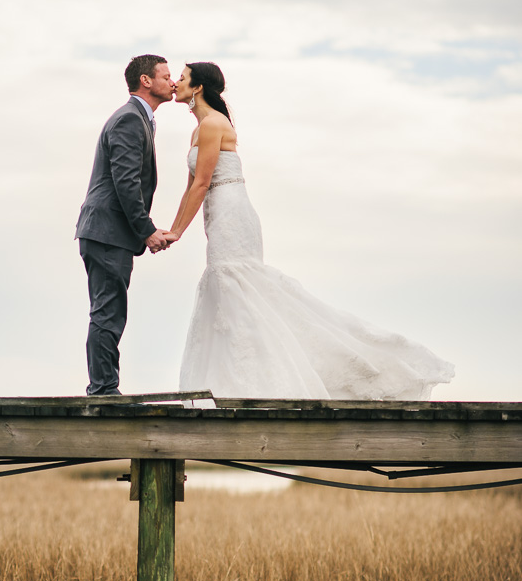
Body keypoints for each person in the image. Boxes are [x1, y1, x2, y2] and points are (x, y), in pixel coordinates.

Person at [164, 61, 455, 399]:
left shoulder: (213, 124)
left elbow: (201, 184)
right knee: (229, 292)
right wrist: (172, 230)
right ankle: (236, 384)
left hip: (231, 212)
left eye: (182, 78)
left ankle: (269, 382)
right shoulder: (199, 129)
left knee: (235, 286)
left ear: (197, 87)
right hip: (218, 213)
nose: (175, 83)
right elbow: (190, 188)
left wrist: (177, 234)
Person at [75, 55, 174, 395]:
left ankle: (104, 387)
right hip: (107, 231)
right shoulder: (130, 120)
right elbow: (126, 182)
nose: (172, 81)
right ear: (146, 81)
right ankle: (103, 390)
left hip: (108, 232)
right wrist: (146, 230)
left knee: (110, 309)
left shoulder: (138, 119)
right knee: (108, 311)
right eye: (166, 75)